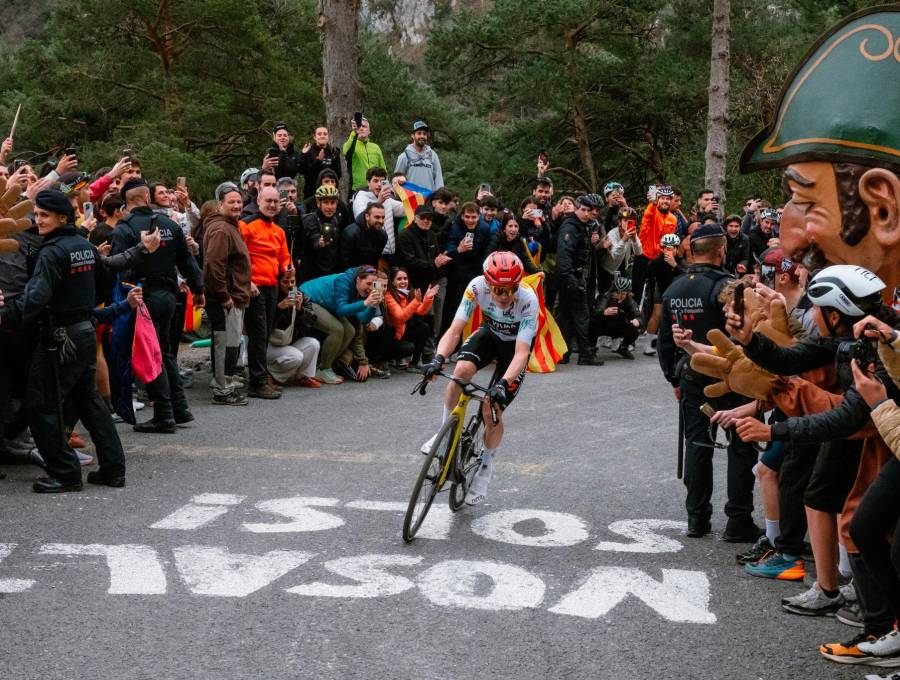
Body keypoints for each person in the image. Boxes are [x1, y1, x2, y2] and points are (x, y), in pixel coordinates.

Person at [0, 190, 127, 492]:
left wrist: (6, 310)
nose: (38, 220)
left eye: (44, 215)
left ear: (62, 218)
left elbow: (36, 298)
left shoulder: (52, 251)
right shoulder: (82, 245)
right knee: (89, 401)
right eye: (37, 214)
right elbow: (105, 280)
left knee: (40, 404)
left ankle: (65, 472)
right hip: (84, 330)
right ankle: (113, 468)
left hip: (61, 337)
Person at [657, 222, 760, 541]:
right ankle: (738, 519)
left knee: (698, 443)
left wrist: (672, 378)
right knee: (741, 444)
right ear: (721, 249)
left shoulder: (674, 288)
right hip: (732, 374)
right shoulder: (728, 287)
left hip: (690, 373)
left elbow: (664, 341)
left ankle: (697, 518)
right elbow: (747, 334)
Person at [420, 252, 538, 506]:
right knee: (460, 371)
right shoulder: (475, 287)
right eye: (499, 290)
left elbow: (522, 353)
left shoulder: (528, 299)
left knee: (490, 407)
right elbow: (454, 330)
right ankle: (444, 433)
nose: (506, 297)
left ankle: (485, 469)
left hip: (514, 349)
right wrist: (438, 359)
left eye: (511, 289)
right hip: (490, 335)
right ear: (487, 283)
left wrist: (502, 385)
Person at [111, 178, 203, 433]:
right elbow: (187, 261)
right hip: (169, 296)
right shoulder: (168, 224)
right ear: (148, 199)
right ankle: (179, 408)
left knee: (151, 354)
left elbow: (120, 268)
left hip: (142, 296)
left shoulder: (125, 228)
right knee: (164, 352)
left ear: (126, 203)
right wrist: (199, 289)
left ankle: (164, 413)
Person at [240, 186, 293, 400]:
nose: (272, 205)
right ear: (259, 201)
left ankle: (260, 378)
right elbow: (239, 257)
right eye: (268, 201)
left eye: (275, 202)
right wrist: (247, 281)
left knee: (265, 333)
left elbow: (284, 256)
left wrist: (288, 269)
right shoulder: (247, 224)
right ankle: (257, 382)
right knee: (258, 334)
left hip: (272, 286)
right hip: (255, 288)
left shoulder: (278, 230)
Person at [203, 182, 252, 406]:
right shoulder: (222, 229)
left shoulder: (230, 225)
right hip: (226, 298)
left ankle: (226, 382)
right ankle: (222, 390)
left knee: (232, 342)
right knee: (226, 343)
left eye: (239, 201)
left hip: (235, 295)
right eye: (231, 201)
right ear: (220, 204)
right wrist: (224, 296)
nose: (236, 205)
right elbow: (214, 265)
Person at [300, 265, 383, 383]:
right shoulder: (343, 281)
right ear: (358, 279)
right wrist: (366, 302)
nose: (371, 288)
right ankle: (324, 369)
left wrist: (373, 306)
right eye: (369, 284)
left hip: (327, 304)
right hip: (308, 297)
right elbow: (341, 310)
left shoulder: (360, 289)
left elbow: (363, 319)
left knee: (350, 331)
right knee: (337, 329)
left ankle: (322, 365)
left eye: (373, 285)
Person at [556, 196, 604, 366]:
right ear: (577, 208)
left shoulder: (582, 226)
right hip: (570, 277)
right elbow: (564, 255)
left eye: (588, 210)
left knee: (567, 316)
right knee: (581, 315)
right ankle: (584, 354)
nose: (586, 213)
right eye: (583, 209)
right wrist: (571, 279)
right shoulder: (570, 226)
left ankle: (564, 353)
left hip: (573, 276)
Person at [443, 201, 493, 333]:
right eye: (467, 217)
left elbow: (487, 250)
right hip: (457, 274)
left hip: (476, 273)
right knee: (456, 309)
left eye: (473, 217)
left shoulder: (484, 228)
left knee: (477, 308)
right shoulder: (455, 227)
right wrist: (459, 250)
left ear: (479, 216)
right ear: (462, 216)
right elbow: (447, 252)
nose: (470, 221)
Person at [267, 269, 321, 388]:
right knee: (296, 356)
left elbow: (311, 323)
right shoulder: (272, 295)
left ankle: (303, 376)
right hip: (269, 344)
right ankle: (271, 376)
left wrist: (300, 310)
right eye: (285, 282)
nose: (290, 286)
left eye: (292, 282)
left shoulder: (300, 295)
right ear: (278, 282)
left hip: (288, 341)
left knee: (313, 343)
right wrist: (279, 309)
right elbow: (263, 326)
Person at [634, 184, 677, 311]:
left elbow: (668, 240)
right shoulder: (652, 211)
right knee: (637, 291)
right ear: (657, 199)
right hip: (643, 255)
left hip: (659, 259)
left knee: (654, 294)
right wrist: (652, 203)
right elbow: (648, 216)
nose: (665, 201)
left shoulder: (673, 219)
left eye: (668, 198)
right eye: (662, 198)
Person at [384, 267, 438, 368]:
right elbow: (399, 318)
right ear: (392, 281)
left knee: (424, 327)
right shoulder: (388, 295)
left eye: (405, 278)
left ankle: (415, 363)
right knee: (408, 348)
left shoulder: (409, 293)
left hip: (402, 332)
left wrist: (428, 298)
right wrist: (416, 301)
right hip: (390, 335)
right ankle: (385, 361)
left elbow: (421, 311)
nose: (403, 281)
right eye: (399, 279)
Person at [351, 168, 405, 262]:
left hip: (391, 254)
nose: (379, 184)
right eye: (375, 181)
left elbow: (405, 210)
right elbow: (361, 219)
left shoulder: (387, 199)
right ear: (368, 183)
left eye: (382, 181)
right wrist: (379, 201)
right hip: (374, 255)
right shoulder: (361, 197)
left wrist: (402, 189)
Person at [300, 184, 346, 282]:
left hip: (329, 271)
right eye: (326, 202)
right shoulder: (310, 219)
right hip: (310, 272)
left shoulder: (335, 219)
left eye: (333, 203)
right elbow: (313, 236)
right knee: (297, 295)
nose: (330, 207)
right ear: (318, 203)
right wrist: (319, 242)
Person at [590, 276, 641, 360]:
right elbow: (595, 312)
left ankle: (623, 348)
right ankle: (591, 349)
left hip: (619, 327)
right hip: (603, 326)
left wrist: (637, 321)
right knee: (592, 323)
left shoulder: (630, 301)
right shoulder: (605, 297)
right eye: (617, 292)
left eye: (623, 293)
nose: (620, 296)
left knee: (635, 328)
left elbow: (638, 315)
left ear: (628, 293)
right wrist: (603, 312)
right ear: (612, 291)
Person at [394, 121, 443, 192]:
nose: (422, 136)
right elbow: (396, 180)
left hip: (429, 199)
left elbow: (439, 179)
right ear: (413, 136)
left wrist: (439, 196)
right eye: (419, 133)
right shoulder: (404, 156)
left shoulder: (433, 155)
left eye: (424, 134)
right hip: (411, 199)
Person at [343, 115, 387, 194]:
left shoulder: (375, 147)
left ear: (369, 131)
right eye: (359, 126)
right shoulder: (350, 145)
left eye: (364, 126)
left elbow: (383, 170)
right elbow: (347, 152)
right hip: (357, 190)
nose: (361, 128)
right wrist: (354, 132)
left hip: (376, 189)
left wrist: (386, 188)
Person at [341, 202, 388, 270]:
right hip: (351, 274)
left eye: (383, 217)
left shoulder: (383, 236)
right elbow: (345, 263)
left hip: (370, 272)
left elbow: (375, 260)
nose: (381, 221)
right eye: (377, 217)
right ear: (367, 216)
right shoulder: (350, 233)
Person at [298, 125, 342, 199]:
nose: (322, 136)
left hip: (329, 193)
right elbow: (305, 172)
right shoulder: (309, 151)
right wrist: (318, 161)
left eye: (325, 134)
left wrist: (336, 159)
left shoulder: (333, 152)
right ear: (315, 137)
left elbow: (338, 175)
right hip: (312, 194)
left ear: (328, 136)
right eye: (319, 134)